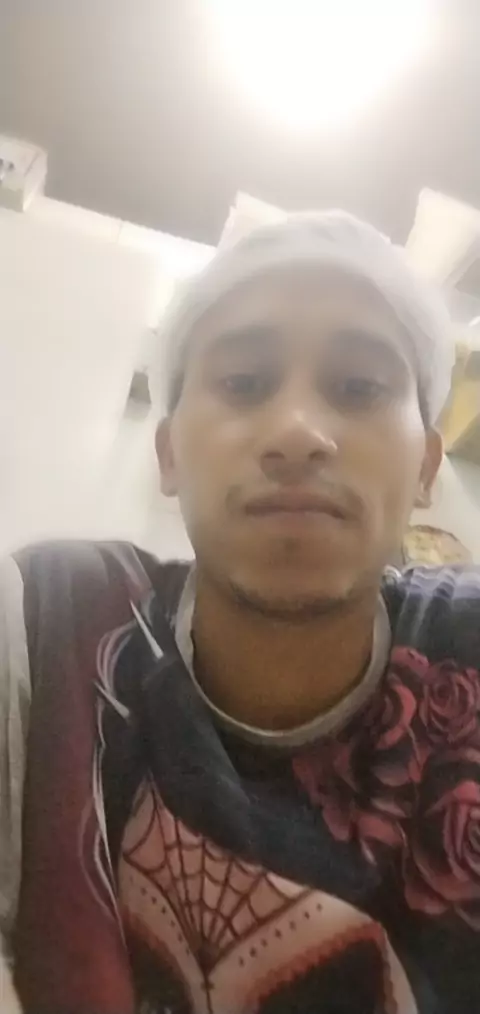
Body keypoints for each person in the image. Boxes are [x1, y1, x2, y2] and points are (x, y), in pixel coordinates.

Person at [0, 210, 478, 1014]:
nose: (297, 433)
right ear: (169, 454)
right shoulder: (49, 621)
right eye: (245, 383)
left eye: (359, 387)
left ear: (427, 466)